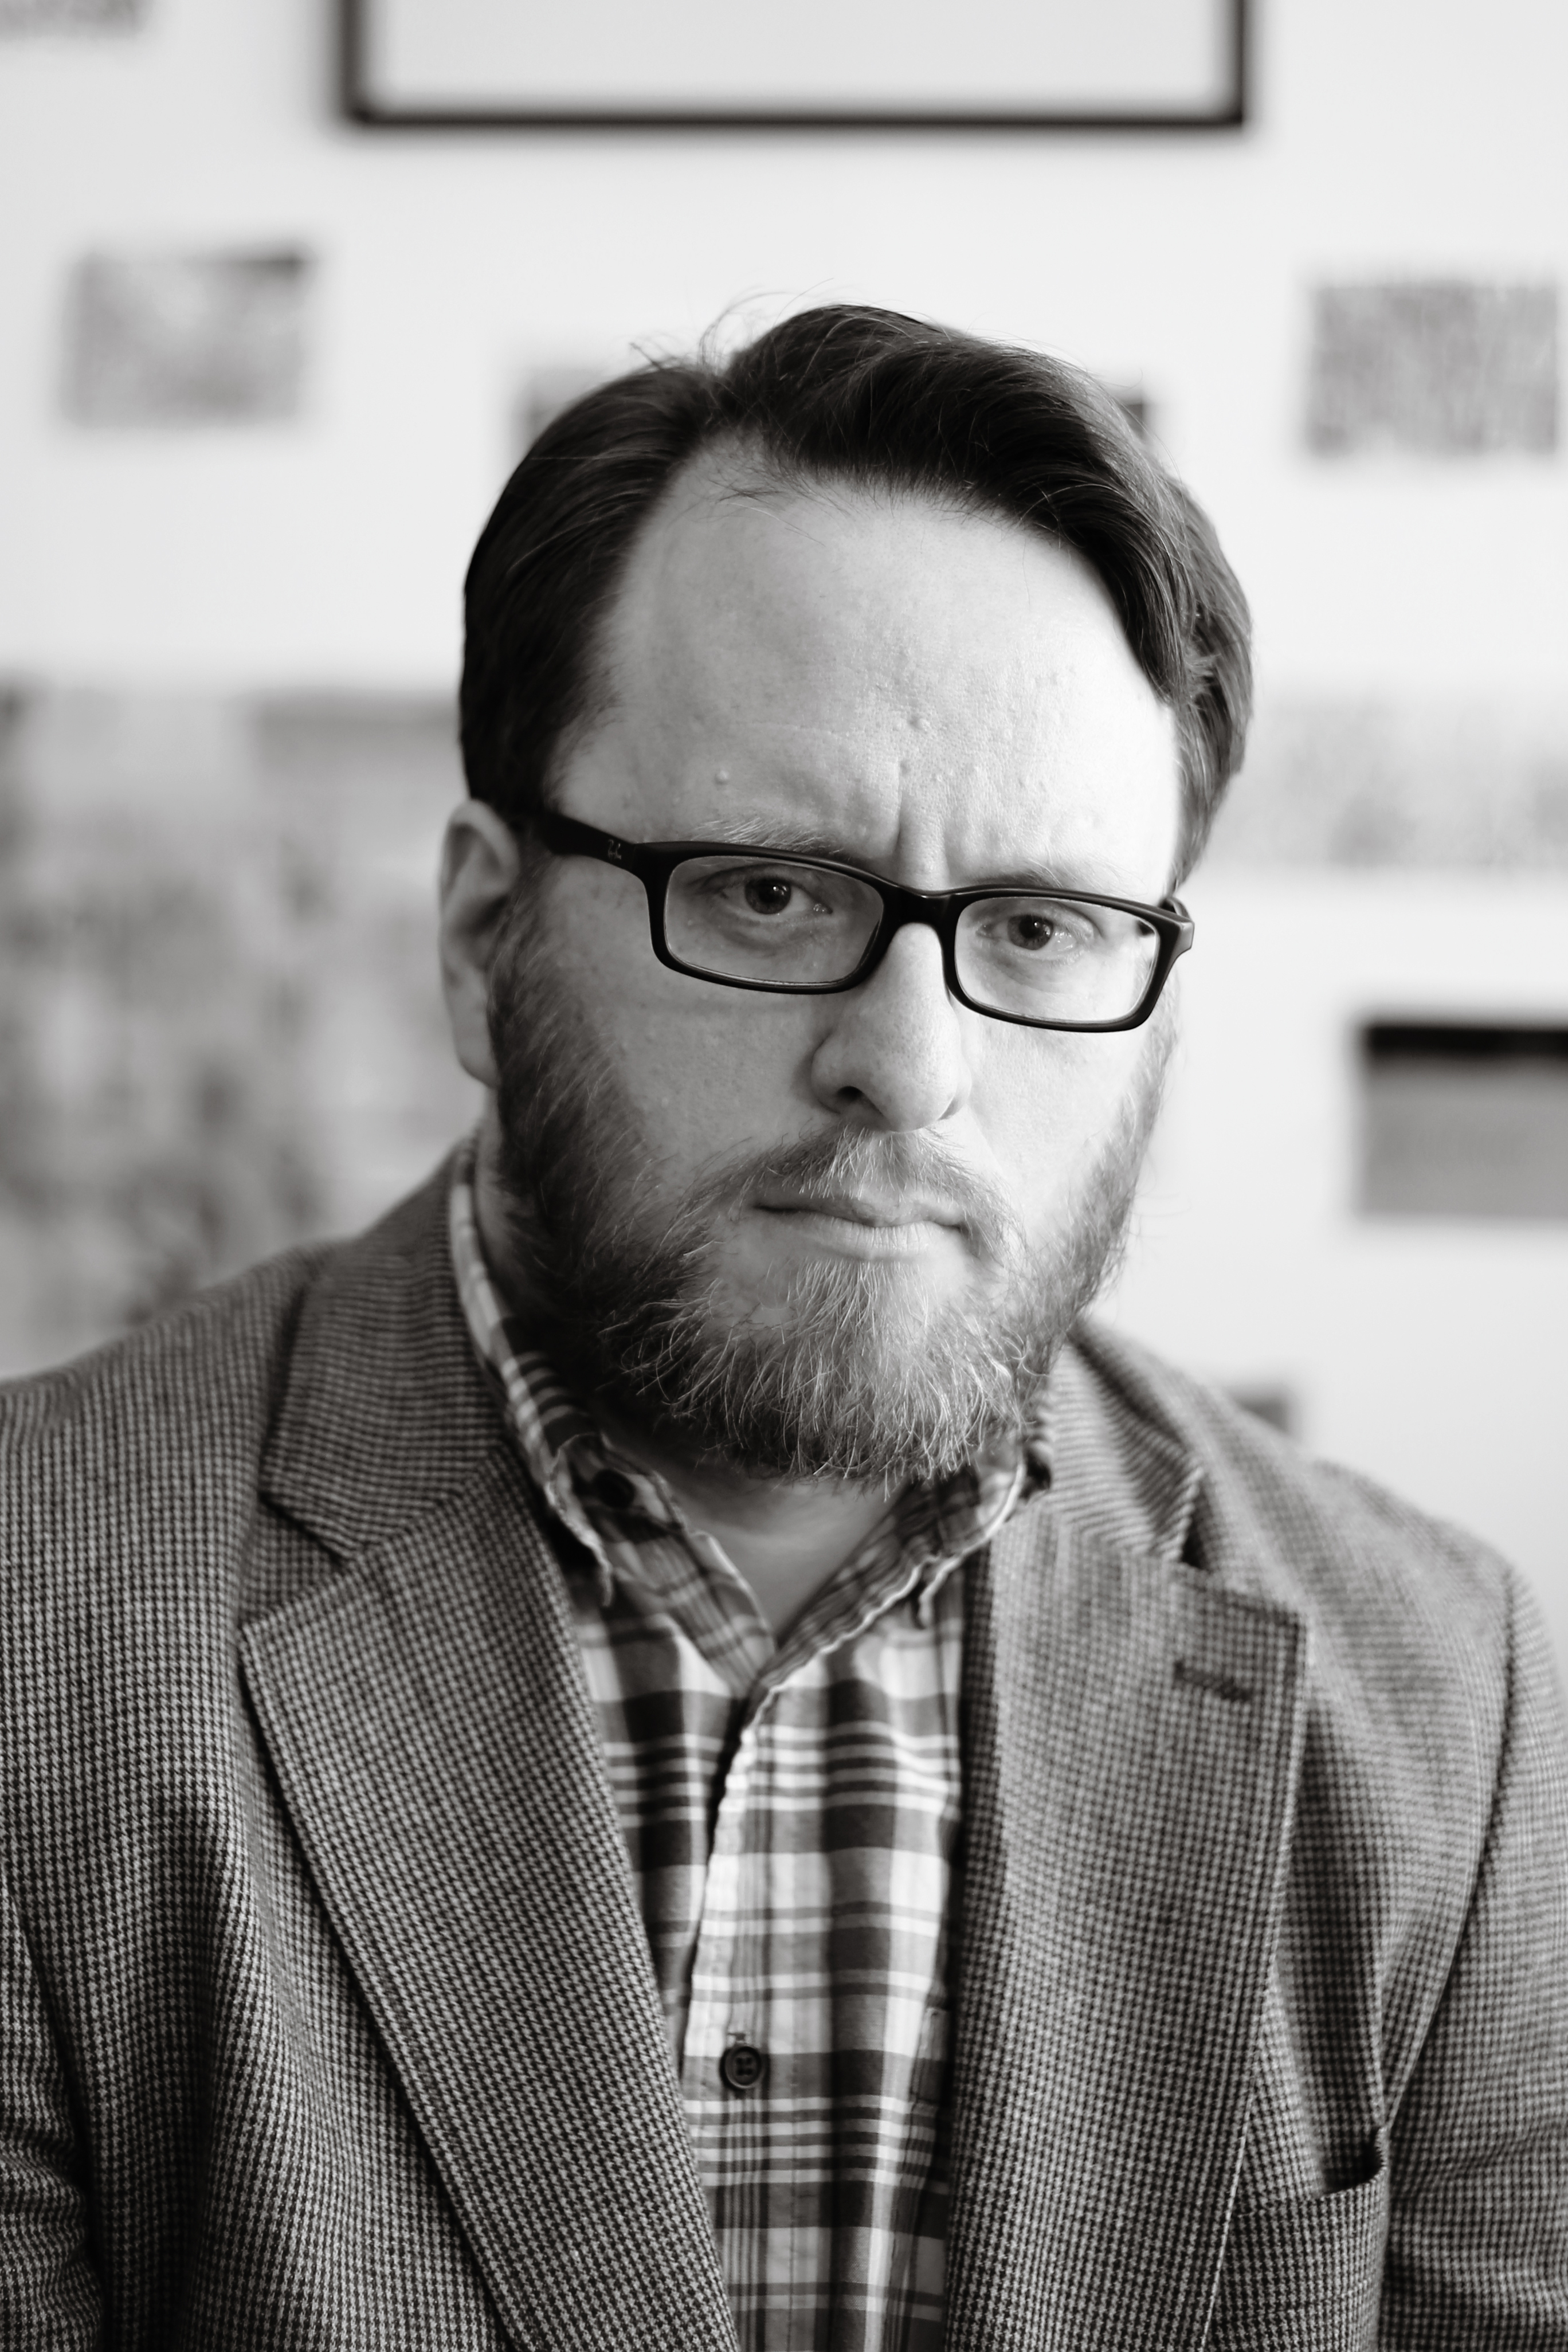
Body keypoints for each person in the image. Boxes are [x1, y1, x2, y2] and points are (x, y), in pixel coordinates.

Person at [2, 305, 1565, 2351]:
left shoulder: (1452, 1702)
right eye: (767, 893)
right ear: (482, 937)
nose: (909, 1067)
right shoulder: (33, 1619)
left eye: (1041, 927)